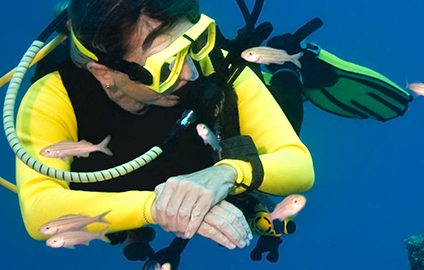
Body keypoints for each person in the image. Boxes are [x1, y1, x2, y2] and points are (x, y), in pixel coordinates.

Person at [15, 0, 314, 251]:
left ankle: (288, 67)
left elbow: (299, 166)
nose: (192, 73)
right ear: (103, 72)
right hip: (120, 191)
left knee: (285, 114)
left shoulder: (214, 63)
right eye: (166, 67)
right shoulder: (51, 97)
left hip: (214, 156)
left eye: (192, 44)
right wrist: (159, 207)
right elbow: (39, 210)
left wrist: (228, 173)